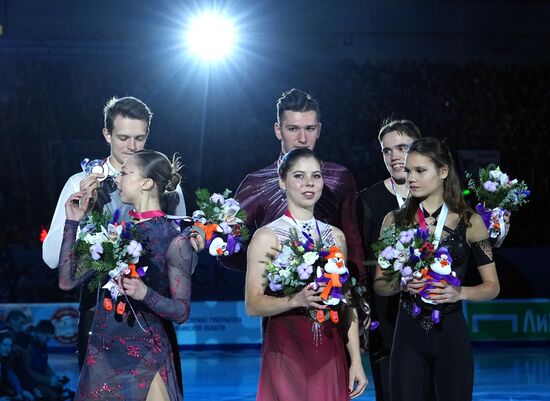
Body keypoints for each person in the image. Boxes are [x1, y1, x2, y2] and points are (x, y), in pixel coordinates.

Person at [42, 96, 188, 374]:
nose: (132, 147)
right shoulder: (78, 183)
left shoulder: (168, 188)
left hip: (152, 315)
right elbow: (51, 259)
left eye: (140, 138)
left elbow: (183, 266)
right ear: (106, 134)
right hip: (98, 313)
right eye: (123, 137)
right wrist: (82, 217)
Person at [58, 150, 197, 401]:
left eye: (124, 173)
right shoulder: (113, 234)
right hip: (103, 354)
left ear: (146, 183)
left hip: (149, 355)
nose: (117, 179)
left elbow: (181, 311)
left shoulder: (174, 241)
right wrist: (72, 222)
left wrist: (145, 294)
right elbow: (67, 281)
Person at [373, 137, 500, 401]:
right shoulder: (394, 221)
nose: (411, 178)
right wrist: (401, 284)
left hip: (451, 339)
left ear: (443, 172)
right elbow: (380, 284)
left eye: (420, 171)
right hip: (407, 340)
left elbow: (492, 287)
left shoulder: (471, 222)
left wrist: (460, 293)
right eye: (408, 171)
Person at [245, 148, 367, 401]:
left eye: (316, 176)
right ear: (282, 181)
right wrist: (296, 300)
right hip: (286, 349)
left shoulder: (336, 236)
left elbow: (346, 303)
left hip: (330, 349)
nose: (309, 182)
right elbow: (253, 304)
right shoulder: (267, 237)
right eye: (299, 176)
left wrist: (355, 359)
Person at [223, 89, 365, 283]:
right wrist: (274, 273)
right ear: (278, 130)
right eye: (293, 129)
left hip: (333, 299)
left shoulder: (340, 178)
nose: (302, 138)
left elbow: (353, 242)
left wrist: (357, 297)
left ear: (319, 130)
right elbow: (228, 249)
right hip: (279, 304)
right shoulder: (256, 183)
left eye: (309, 128)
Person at [357, 118, 421, 400]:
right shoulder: (367, 200)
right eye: (387, 150)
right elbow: (357, 258)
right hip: (385, 315)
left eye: (402, 148)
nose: (394, 156)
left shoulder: (436, 198)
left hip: (431, 309)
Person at [0, 330, 36, 401]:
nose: (8, 349)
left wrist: (20, 392)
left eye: (10, 345)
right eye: (4, 345)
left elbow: (13, 377)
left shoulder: (5, 360)